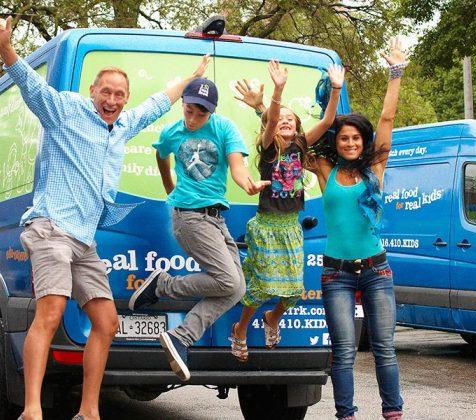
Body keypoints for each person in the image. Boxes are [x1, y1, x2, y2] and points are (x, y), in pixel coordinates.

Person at [0, 5, 209, 420]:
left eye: (120, 95)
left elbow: (159, 103)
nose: (113, 100)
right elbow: (32, 87)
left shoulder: (122, 125)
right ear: (93, 92)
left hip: (83, 239)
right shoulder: (65, 111)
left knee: (106, 321)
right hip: (50, 228)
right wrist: (7, 49)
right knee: (51, 310)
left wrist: (191, 77)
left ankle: (89, 411)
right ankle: (31, 409)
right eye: (106, 92)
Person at [128, 77, 269, 381]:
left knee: (237, 288)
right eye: (188, 111)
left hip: (216, 219)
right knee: (229, 281)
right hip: (190, 218)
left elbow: (237, 166)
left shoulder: (223, 128)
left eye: (200, 114)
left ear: (211, 112)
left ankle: (180, 334)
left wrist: (247, 184)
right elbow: (160, 153)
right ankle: (163, 287)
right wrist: (171, 188)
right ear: (183, 104)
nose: (192, 119)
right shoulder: (172, 132)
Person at [311, 37, 406, 419]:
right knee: (344, 351)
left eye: (356, 138)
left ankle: (392, 412)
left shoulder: (375, 169)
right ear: (339, 141)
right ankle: (346, 414)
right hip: (336, 273)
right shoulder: (324, 169)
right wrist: (334, 95)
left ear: (363, 142)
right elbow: (301, 142)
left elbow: (387, 119)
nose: (350, 142)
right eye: (344, 137)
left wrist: (395, 72)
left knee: (384, 348)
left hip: (376, 271)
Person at [229, 60, 345, 361]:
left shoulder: (302, 146)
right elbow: (269, 122)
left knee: (293, 291)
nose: (284, 121)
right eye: (279, 119)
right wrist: (278, 91)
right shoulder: (269, 148)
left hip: (291, 227)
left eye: (290, 120)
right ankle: (240, 329)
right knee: (262, 287)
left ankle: (273, 318)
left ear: (297, 128)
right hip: (266, 227)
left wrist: (335, 89)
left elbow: (330, 118)